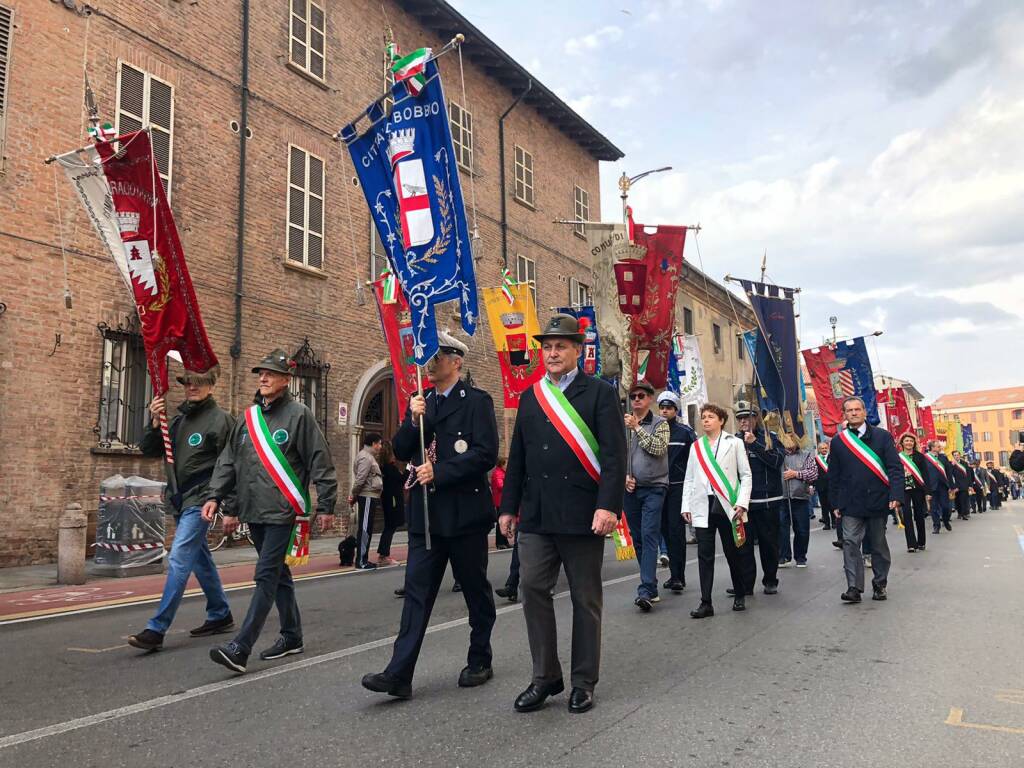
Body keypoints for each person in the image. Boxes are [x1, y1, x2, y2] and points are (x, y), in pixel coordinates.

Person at [499, 314, 627, 714]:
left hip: (583, 512)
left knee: (585, 598)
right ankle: (545, 676)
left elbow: (613, 455)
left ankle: (583, 681)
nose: (552, 353)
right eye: (547, 347)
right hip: (537, 513)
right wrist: (507, 508)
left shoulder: (600, 393)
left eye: (561, 346)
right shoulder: (531, 396)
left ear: (577, 350)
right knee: (532, 588)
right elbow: (517, 456)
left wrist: (608, 505)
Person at [362, 331, 499, 700]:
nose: (429, 363)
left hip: (465, 514)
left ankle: (480, 658)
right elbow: (403, 450)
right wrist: (411, 418)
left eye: (437, 356)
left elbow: (486, 453)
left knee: (474, 590)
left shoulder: (477, 402)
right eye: (428, 356)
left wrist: (443, 471)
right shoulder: (421, 401)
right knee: (417, 596)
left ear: (456, 361)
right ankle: (399, 674)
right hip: (427, 516)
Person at [204, 349, 337, 673]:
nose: (263, 378)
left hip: (282, 510)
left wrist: (327, 503)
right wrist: (220, 500)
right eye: (260, 373)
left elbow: (319, 458)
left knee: (265, 575)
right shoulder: (248, 418)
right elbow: (231, 462)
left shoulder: (299, 415)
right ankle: (292, 636)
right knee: (279, 575)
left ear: (285, 380)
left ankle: (240, 647)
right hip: (254, 510)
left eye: (270, 373)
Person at [127, 368, 234, 651]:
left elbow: (232, 465)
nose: (191, 387)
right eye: (188, 382)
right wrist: (153, 420)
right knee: (200, 559)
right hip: (179, 498)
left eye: (198, 382)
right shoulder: (177, 420)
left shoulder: (221, 420)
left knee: (179, 557)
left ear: (211, 386)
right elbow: (151, 450)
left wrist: (229, 504)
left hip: (202, 500)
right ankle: (220, 613)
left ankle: (157, 628)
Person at [828, 396, 904, 603]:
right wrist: (834, 503)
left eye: (857, 409)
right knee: (851, 543)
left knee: (878, 545)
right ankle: (854, 587)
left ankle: (880, 584)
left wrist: (896, 495)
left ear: (864, 412)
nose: (853, 413)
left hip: (877, 500)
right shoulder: (838, 441)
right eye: (849, 410)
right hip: (850, 503)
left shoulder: (882, 437)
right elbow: (833, 474)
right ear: (844, 414)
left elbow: (895, 468)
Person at [682, 403, 754, 617]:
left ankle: (740, 593)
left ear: (721, 421)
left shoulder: (735, 443)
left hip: (727, 505)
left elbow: (746, 475)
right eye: (703, 417)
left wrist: (742, 502)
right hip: (702, 505)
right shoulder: (696, 447)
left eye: (710, 416)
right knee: (705, 555)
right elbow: (689, 478)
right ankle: (706, 602)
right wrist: (686, 505)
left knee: (733, 552)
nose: (705, 420)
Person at [622, 380, 669, 611]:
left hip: (654, 487)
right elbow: (616, 454)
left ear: (650, 398)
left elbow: (658, 448)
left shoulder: (660, 423)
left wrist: (638, 428)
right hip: (630, 490)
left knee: (650, 535)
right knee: (638, 538)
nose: (637, 399)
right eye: (633, 396)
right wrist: (625, 476)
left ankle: (645, 589)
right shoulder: (623, 425)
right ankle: (650, 587)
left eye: (641, 395)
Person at [734, 402, 785, 595]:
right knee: (743, 546)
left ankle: (770, 579)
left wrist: (754, 443)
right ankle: (746, 584)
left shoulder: (770, 438)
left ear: (756, 418)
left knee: (768, 543)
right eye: (739, 418)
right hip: (743, 503)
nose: (743, 421)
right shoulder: (732, 441)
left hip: (767, 500)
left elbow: (777, 461)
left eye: (747, 417)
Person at [657, 391, 697, 593]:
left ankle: (678, 576)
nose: (665, 411)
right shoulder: (653, 430)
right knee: (663, 531)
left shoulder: (685, 432)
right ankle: (674, 574)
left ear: (675, 410)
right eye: (662, 408)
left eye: (669, 408)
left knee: (676, 532)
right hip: (658, 486)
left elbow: (696, 458)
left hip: (678, 487)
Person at [779, 438, 818, 568]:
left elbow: (813, 473)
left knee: (801, 529)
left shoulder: (806, 454)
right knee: (781, 528)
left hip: (800, 497)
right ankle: (784, 556)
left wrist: (796, 474)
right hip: (781, 497)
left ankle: (801, 557)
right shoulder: (778, 454)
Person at [349, 431, 383, 569]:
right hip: (367, 496)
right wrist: (353, 494)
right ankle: (361, 561)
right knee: (364, 528)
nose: (381, 446)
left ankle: (364, 559)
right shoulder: (366, 458)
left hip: (369, 495)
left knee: (367, 528)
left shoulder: (368, 456)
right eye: (380, 444)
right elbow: (360, 479)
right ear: (374, 444)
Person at [897, 433, 931, 552]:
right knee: (906, 516)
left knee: (919, 515)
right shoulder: (898, 457)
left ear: (914, 443)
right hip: (904, 490)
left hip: (918, 489)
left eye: (911, 441)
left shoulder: (920, 457)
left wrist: (928, 492)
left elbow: (925, 474)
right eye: (906, 441)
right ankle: (911, 544)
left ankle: (921, 542)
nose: (909, 443)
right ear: (902, 443)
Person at [376, 441, 406, 566]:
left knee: (389, 528)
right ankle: (384, 556)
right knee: (390, 527)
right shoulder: (389, 468)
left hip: (389, 500)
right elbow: (401, 480)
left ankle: (383, 554)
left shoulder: (384, 467)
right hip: (392, 501)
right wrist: (409, 469)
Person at [923, 440, 953, 533]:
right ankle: (936, 526)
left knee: (946, 507)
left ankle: (946, 520)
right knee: (933, 508)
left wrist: (951, 486)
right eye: (938, 446)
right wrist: (925, 489)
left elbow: (949, 472)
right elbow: (924, 474)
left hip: (943, 486)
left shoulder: (943, 457)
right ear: (932, 448)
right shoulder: (925, 458)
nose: (940, 448)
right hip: (931, 487)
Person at [492, 457, 510, 549]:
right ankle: (500, 543)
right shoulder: (498, 473)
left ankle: (504, 541)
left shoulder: (502, 472)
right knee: (501, 522)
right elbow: (500, 486)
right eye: (506, 464)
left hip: (503, 500)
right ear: (502, 464)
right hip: (500, 501)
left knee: (504, 522)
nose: (507, 466)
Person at [950, 450, 973, 521]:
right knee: (957, 501)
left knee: (963, 500)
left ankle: (964, 514)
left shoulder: (965, 463)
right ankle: (959, 513)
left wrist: (969, 485)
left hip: (964, 484)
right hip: (956, 485)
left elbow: (969, 475)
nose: (956, 456)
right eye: (955, 455)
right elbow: (949, 475)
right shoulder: (951, 464)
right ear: (953, 456)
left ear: (960, 455)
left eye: (957, 455)